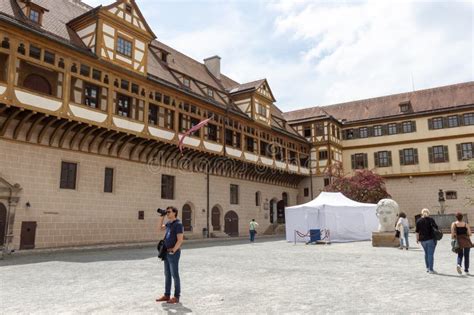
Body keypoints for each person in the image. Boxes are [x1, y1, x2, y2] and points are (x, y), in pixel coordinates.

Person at [156, 206, 184, 304]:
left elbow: (180, 240)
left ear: (174, 213)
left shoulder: (178, 224)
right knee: (167, 274)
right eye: (166, 212)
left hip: (173, 253)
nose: (167, 213)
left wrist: (173, 250)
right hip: (166, 252)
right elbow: (159, 228)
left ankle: (176, 297)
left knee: (174, 275)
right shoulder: (169, 223)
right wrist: (162, 217)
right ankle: (167, 295)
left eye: (169, 212)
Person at [415, 208, 438, 274]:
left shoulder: (418, 221)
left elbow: (417, 231)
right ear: (428, 213)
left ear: (422, 213)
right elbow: (436, 228)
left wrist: (417, 239)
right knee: (430, 254)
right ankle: (431, 269)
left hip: (422, 240)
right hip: (430, 239)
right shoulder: (431, 220)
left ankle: (427, 268)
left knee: (426, 254)